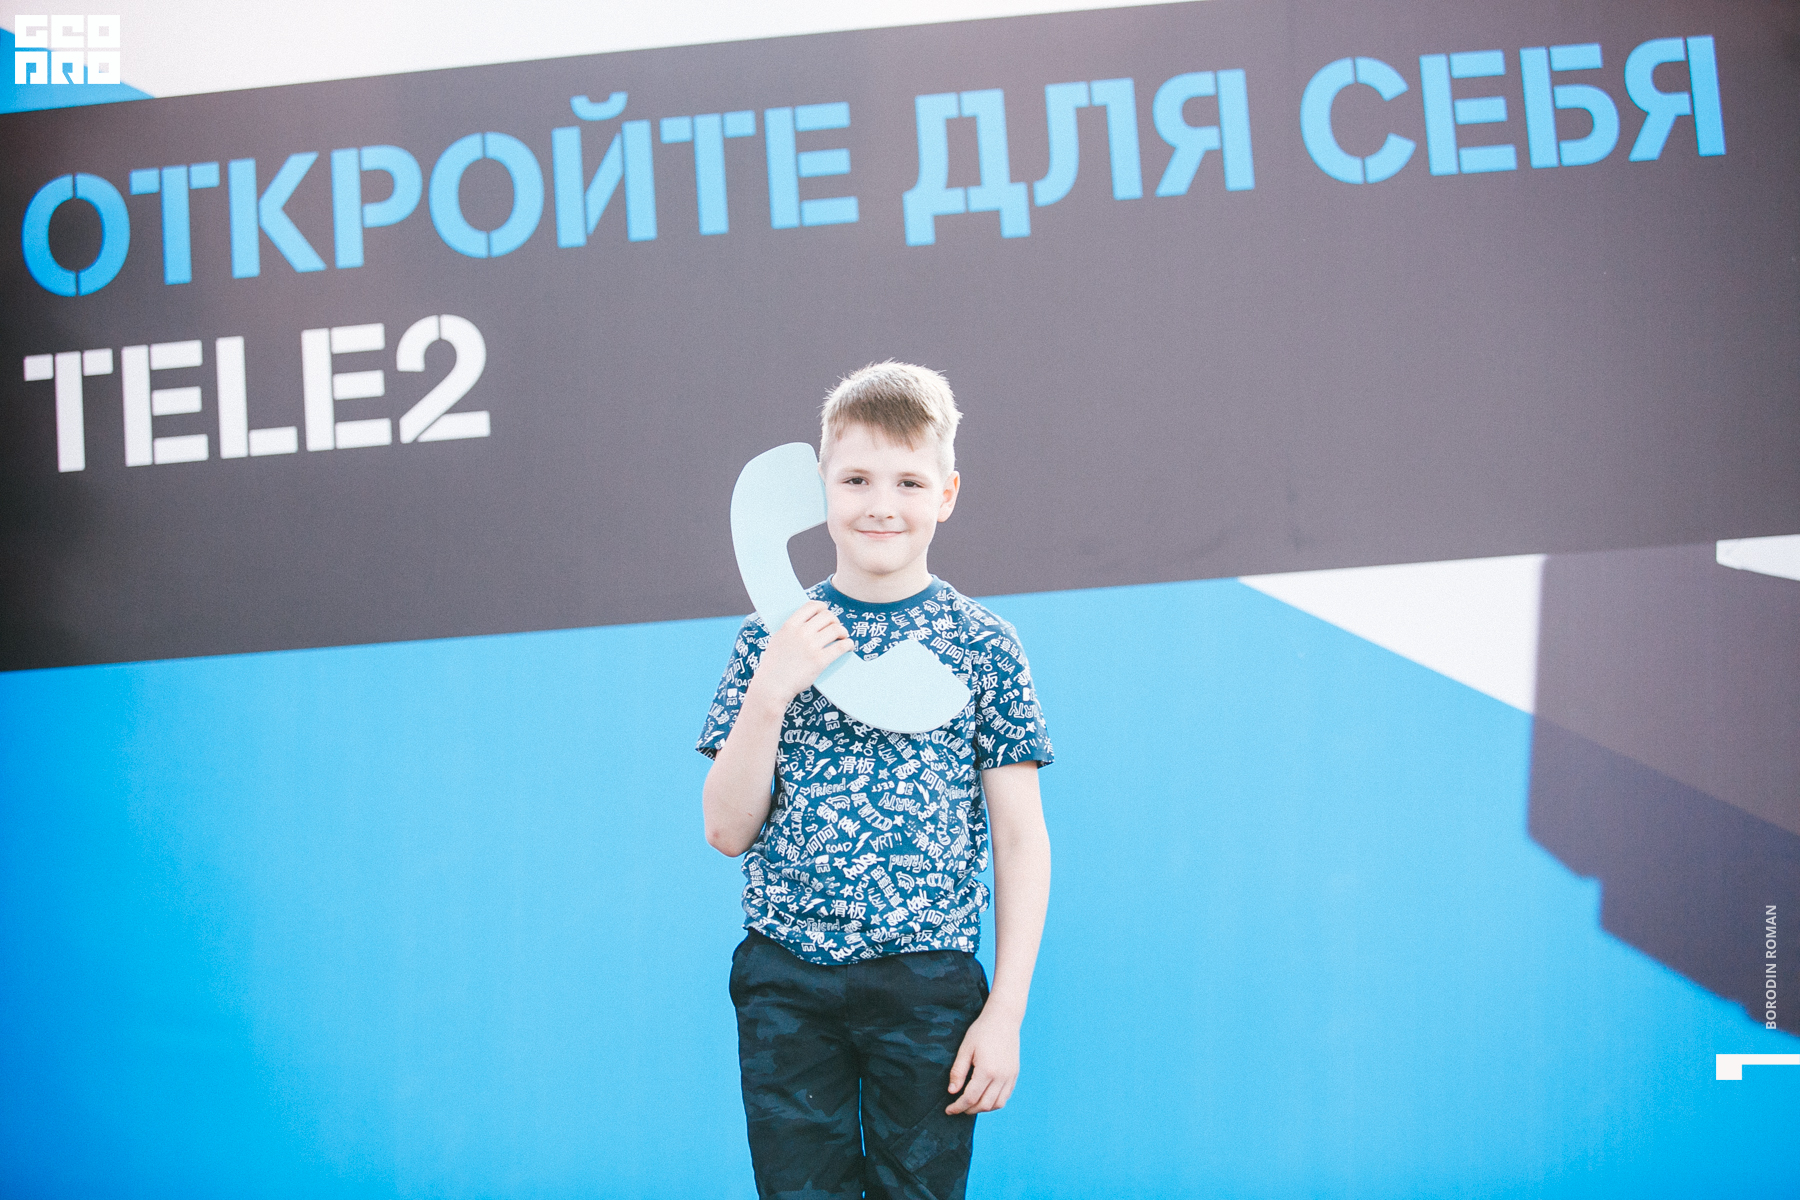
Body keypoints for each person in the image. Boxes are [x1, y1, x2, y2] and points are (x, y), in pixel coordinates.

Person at [697, 361, 1054, 1200]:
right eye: (855, 479)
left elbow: (1020, 839)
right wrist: (772, 687)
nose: (880, 504)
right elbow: (724, 829)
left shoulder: (984, 645)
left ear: (947, 493)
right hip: (788, 976)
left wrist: (1005, 1011)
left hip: (927, 981)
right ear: (822, 488)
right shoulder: (768, 637)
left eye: (908, 482)